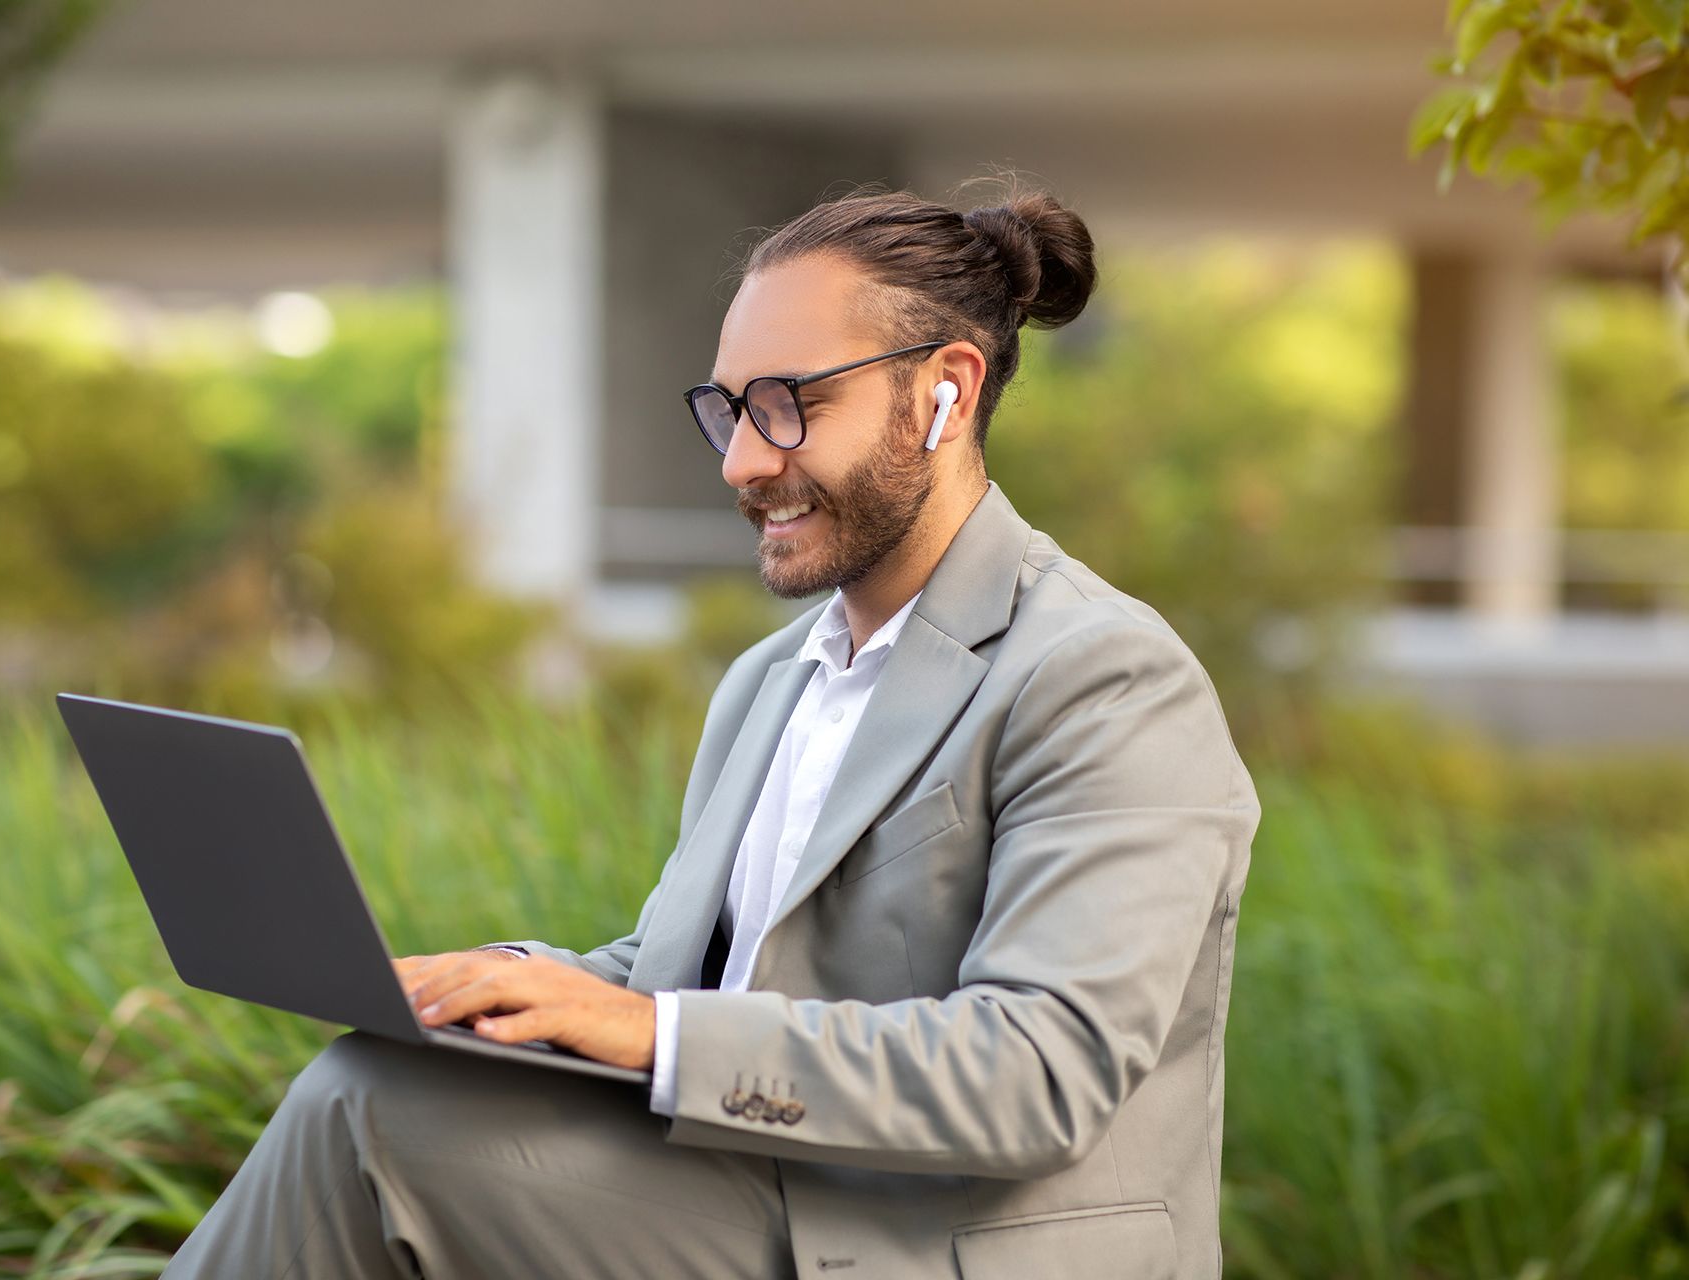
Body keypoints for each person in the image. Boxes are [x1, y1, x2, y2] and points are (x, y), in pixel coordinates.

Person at [161, 177, 1261, 1280]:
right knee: (386, 1085)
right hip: (767, 1196)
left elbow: (1040, 1071)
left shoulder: (1104, 674)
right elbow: (686, 971)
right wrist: (496, 983)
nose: (741, 460)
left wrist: (652, 1033)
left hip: (938, 1242)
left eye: (790, 402)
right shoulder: (770, 679)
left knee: (371, 1112)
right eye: (731, 408)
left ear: (945, 393)